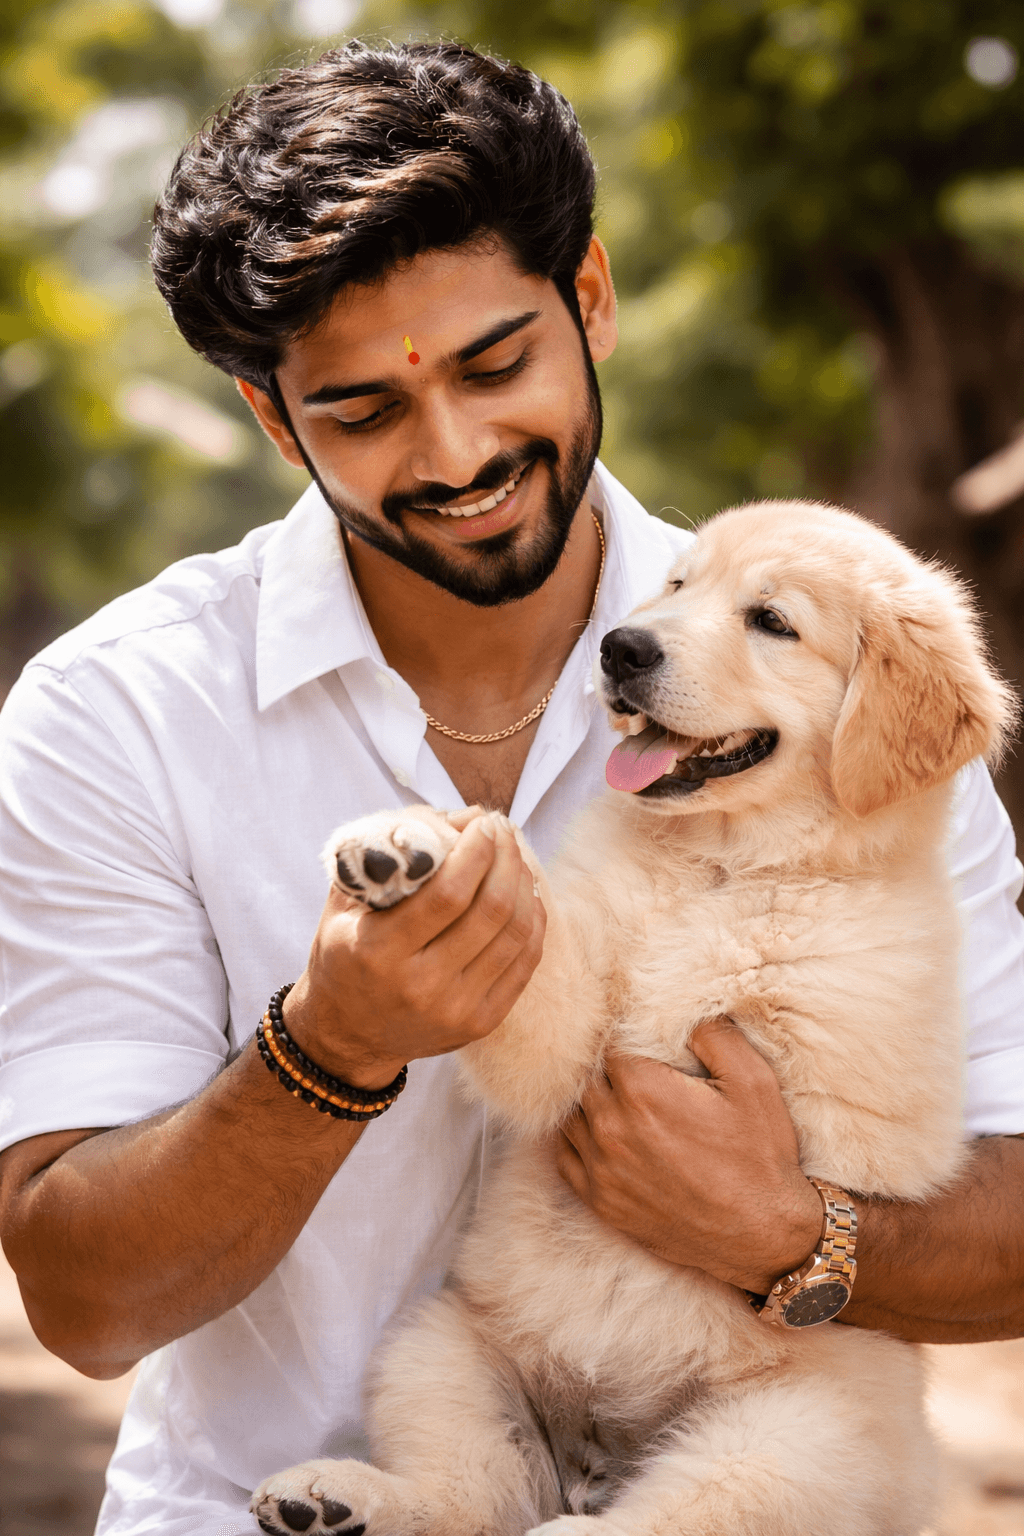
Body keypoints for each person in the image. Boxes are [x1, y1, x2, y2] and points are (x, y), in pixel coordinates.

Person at [0, 39, 1021, 1536]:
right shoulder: (119, 713)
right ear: (272, 420)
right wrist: (329, 1048)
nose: (458, 449)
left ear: (590, 297)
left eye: (495, 364)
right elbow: (83, 1303)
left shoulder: (831, 676)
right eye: (363, 410)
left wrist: (802, 1236)